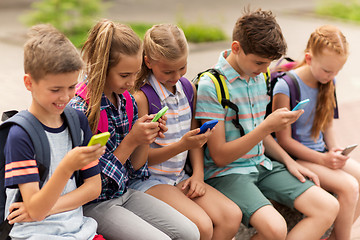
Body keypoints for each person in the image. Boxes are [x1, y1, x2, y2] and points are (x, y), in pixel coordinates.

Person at [195, 9, 340, 240]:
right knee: (276, 228)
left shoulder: (259, 76)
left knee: (328, 206)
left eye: (268, 64)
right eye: (259, 62)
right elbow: (220, 155)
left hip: (263, 165)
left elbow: (262, 138)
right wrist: (266, 126)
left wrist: (289, 161)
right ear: (236, 48)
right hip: (227, 173)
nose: (265, 70)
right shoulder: (211, 85)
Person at [69, 19, 200, 240]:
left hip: (125, 192)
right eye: (124, 75)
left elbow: (137, 167)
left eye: (135, 73)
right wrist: (131, 140)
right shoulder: (83, 109)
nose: (132, 82)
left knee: (191, 233)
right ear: (103, 68)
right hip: (94, 203)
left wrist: (146, 137)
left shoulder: (126, 100)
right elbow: (93, 182)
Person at [130, 23, 242, 240]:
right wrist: (182, 145)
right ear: (148, 62)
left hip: (180, 176)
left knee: (232, 216)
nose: (176, 76)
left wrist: (198, 175)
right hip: (150, 180)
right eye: (168, 71)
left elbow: (194, 137)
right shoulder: (143, 98)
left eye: (182, 68)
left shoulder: (187, 89)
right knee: (202, 225)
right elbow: (142, 161)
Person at [4, 24, 106, 239]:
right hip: (35, 234)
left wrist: (48, 207)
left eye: (71, 87)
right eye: (55, 90)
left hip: (79, 229)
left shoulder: (76, 121)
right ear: (29, 83)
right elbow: (36, 211)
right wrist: (67, 166)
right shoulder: (20, 135)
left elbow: (93, 187)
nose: (65, 97)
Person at [272, 25, 360, 240]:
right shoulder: (285, 87)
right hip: (295, 157)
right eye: (327, 71)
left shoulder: (328, 81)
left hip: (320, 153)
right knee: (348, 186)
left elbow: (327, 125)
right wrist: (323, 159)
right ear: (309, 59)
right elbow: (284, 141)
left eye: (337, 71)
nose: (332, 76)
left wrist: (335, 149)